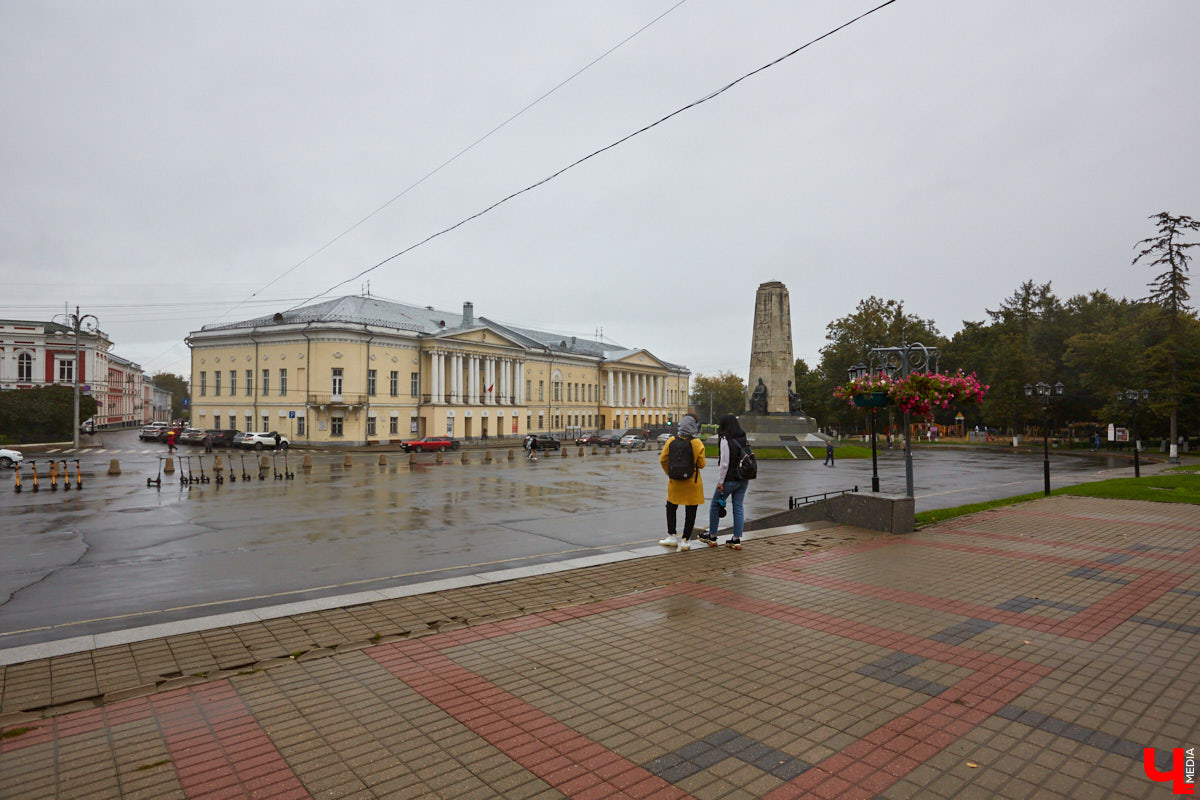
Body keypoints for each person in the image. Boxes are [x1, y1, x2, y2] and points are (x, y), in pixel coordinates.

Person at [702, 414, 750, 550]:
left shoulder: (725, 439)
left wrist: (721, 482)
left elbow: (724, 463)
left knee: (715, 505)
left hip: (729, 479)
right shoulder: (743, 437)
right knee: (738, 507)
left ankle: (712, 536)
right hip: (743, 478)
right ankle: (736, 539)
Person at [659, 414, 705, 551]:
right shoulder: (696, 443)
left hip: (674, 482)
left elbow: (663, 460)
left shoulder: (671, 440)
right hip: (692, 482)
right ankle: (685, 540)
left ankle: (672, 536)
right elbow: (702, 464)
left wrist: (670, 473)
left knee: (671, 507)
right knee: (690, 511)